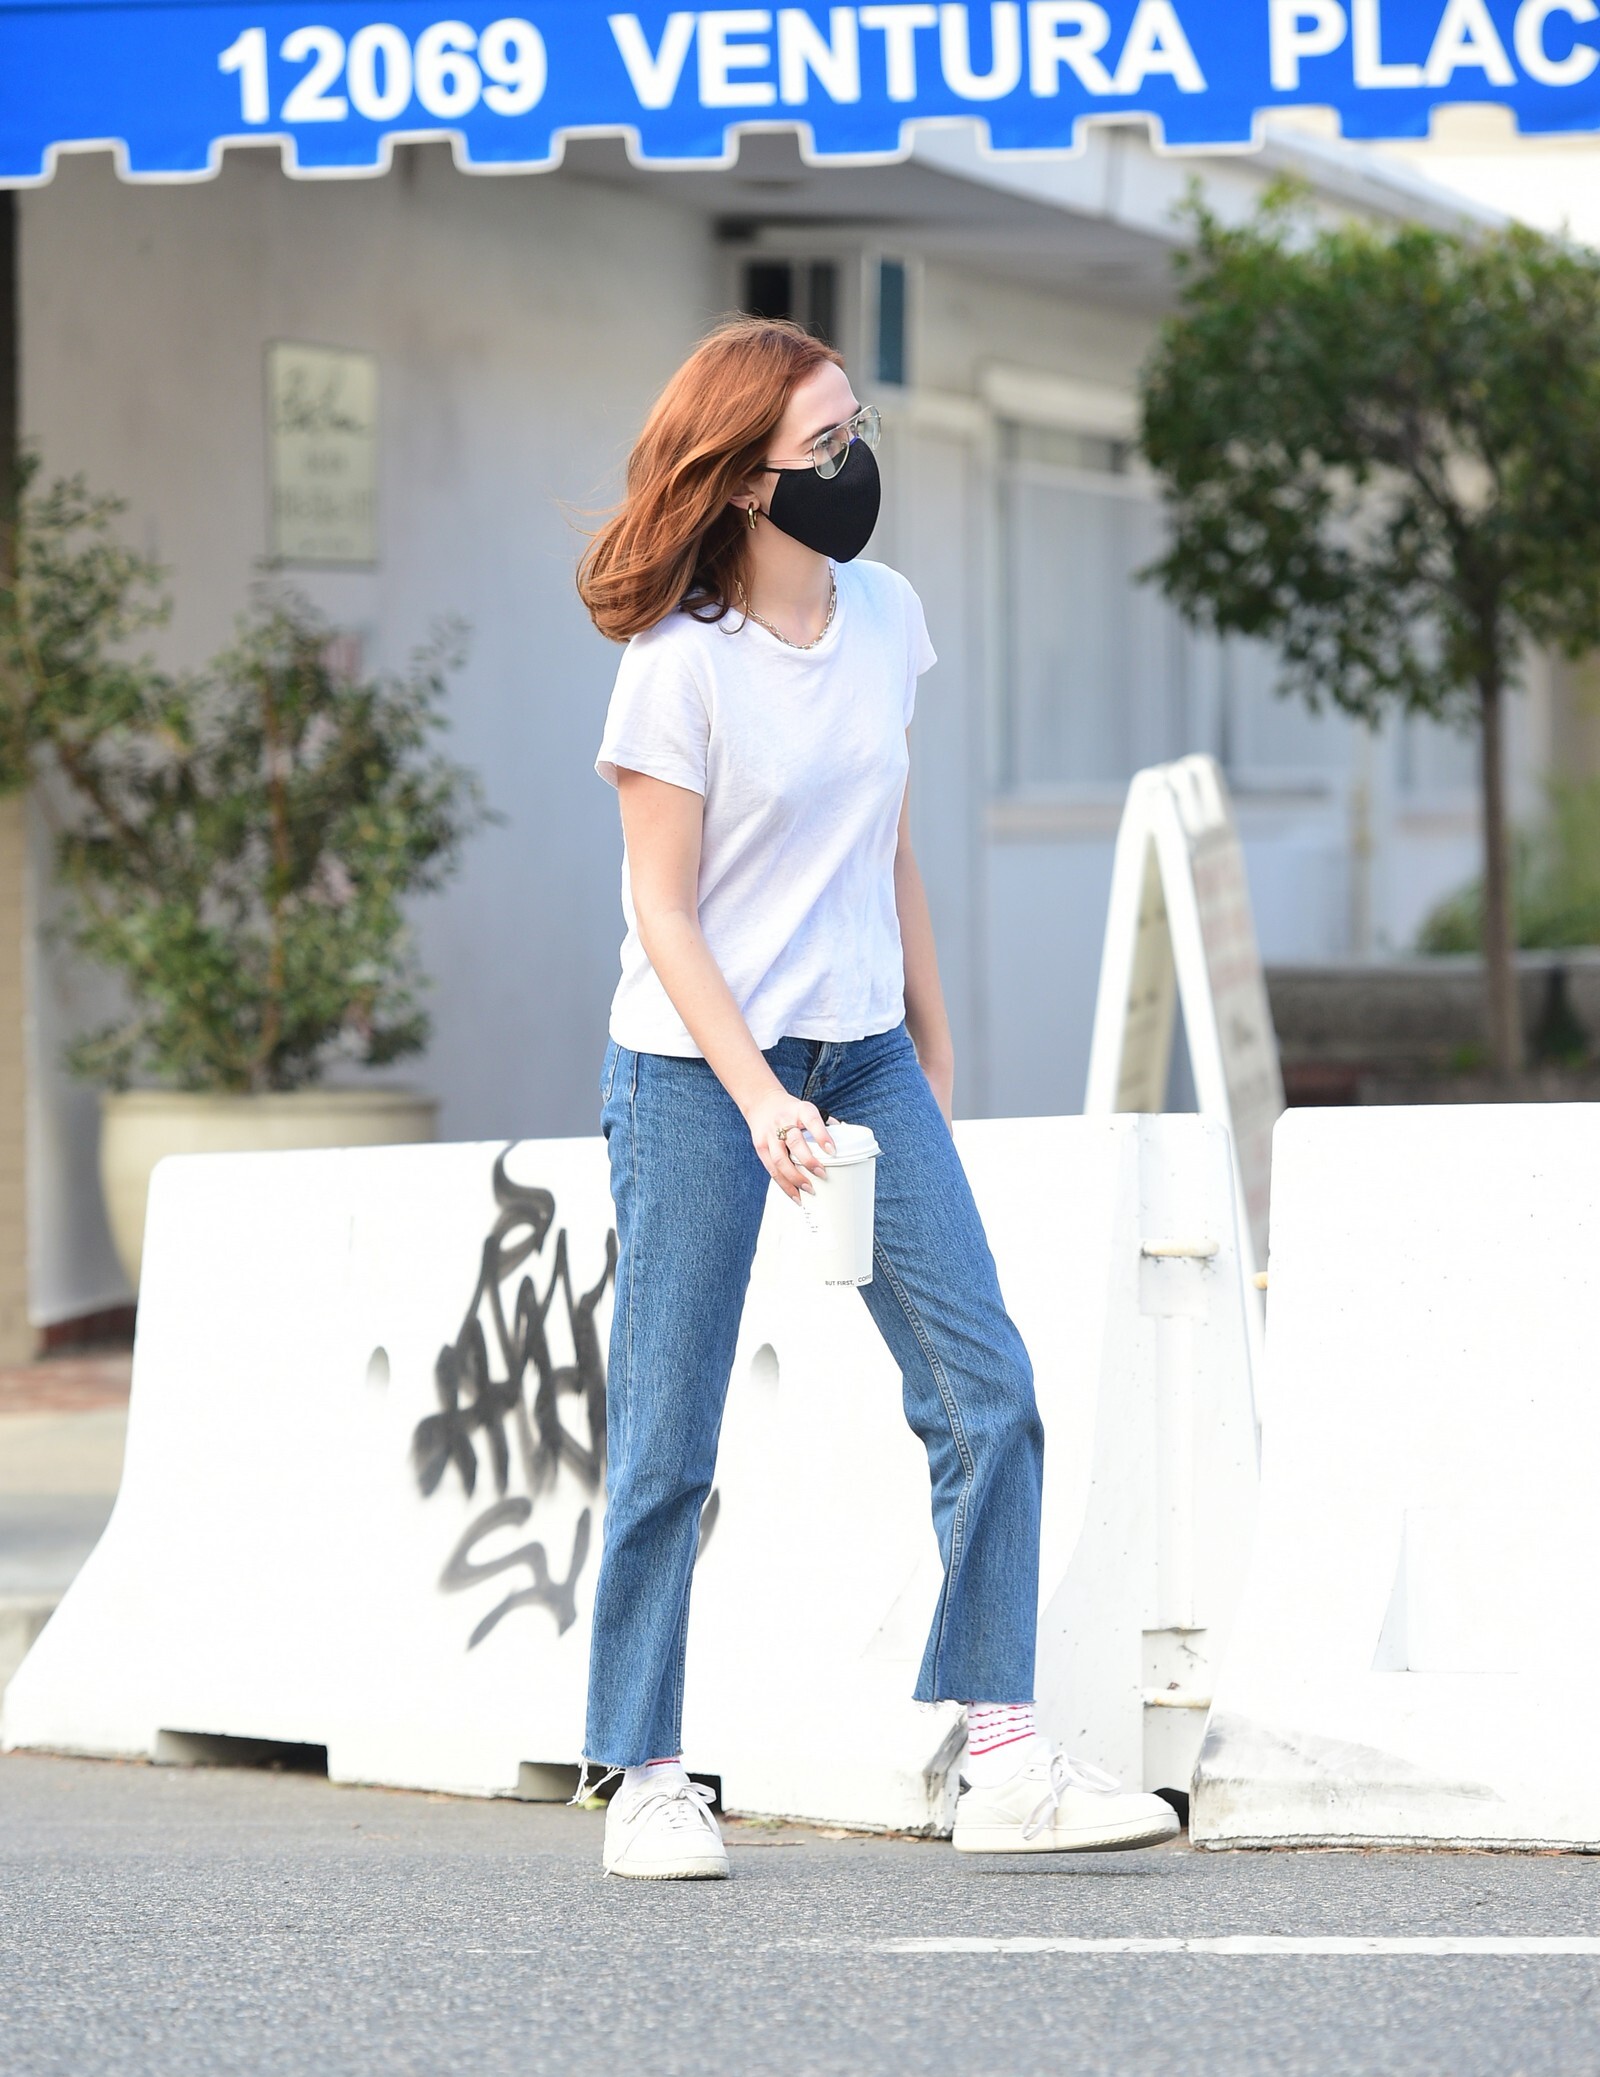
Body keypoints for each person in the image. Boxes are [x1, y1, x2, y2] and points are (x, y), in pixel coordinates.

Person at [575, 315, 1177, 1880]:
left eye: (858, 428)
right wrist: (755, 1092)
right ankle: (646, 1772)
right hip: (694, 1070)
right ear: (744, 482)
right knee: (670, 1434)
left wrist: (930, 1029)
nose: (856, 462)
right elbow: (664, 912)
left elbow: (884, 832)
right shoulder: (679, 667)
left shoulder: (888, 613)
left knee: (988, 1387)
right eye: (825, 445)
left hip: (865, 1054)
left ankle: (1005, 1758)